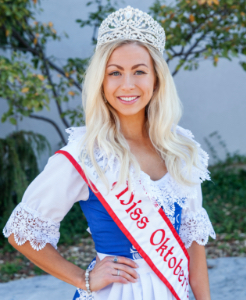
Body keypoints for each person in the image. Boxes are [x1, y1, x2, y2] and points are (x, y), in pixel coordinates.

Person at [3, 6, 216, 300]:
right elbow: (21, 231)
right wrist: (83, 278)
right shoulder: (85, 153)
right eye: (114, 73)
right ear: (101, 83)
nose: (127, 84)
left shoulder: (180, 149)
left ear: (156, 79)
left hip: (171, 291)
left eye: (139, 71)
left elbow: (193, 244)